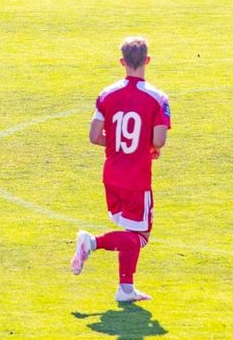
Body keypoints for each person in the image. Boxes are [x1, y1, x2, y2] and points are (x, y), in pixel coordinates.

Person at [71, 36, 171, 302]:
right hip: (137, 177)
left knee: (129, 231)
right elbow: (159, 139)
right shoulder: (158, 97)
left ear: (122, 62)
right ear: (147, 61)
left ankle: (125, 289)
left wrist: (114, 141)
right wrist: (147, 145)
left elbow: (94, 135)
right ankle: (91, 242)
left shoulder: (106, 94)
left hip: (111, 174)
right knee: (141, 236)